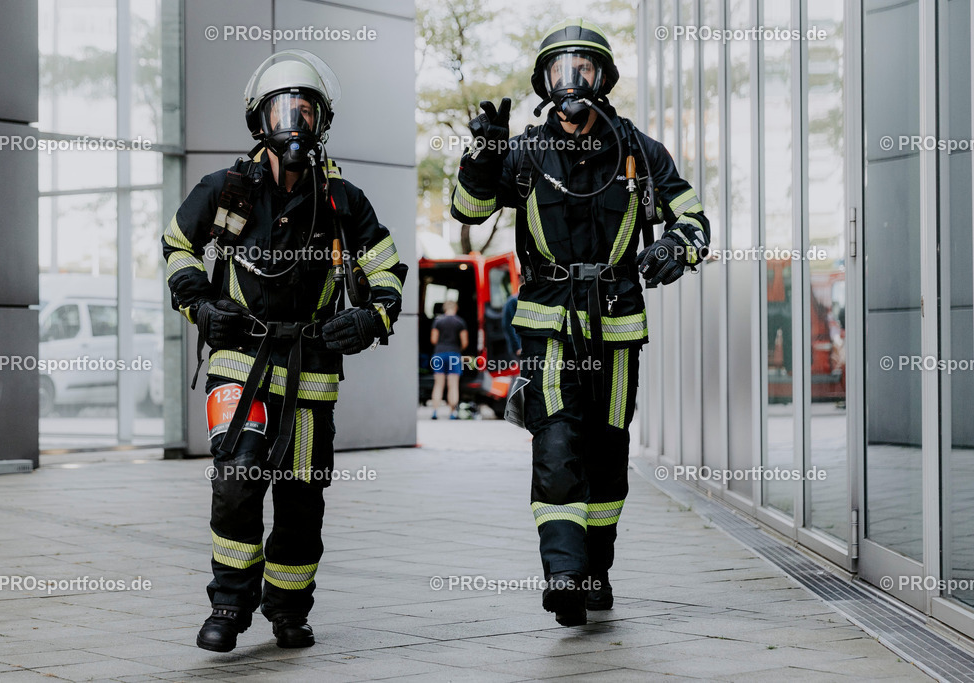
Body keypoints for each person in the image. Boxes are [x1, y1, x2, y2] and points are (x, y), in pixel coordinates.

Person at [451, 18, 709, 626]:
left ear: (604, 79)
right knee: (557, 443)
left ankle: (596, 571)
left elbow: (693, 217)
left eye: (584, 69)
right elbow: (469, 209)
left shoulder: (639, 151)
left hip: (617, 328)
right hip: (548, 325)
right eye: (560, 71)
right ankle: (563, 574)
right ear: (544, 82)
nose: (572, 82)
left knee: (607, 453)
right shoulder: (524, 153)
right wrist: (482, 156)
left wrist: (677, 247)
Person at [162, 50, 407, 652]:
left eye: (305, 109)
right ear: (259, 120)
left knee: (301, 498)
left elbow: (388, 270)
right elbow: (176, 247)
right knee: (238, 482)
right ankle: (228, 606)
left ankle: (289, 609)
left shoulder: (343, 201)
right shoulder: (225, 190)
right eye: (280, 109)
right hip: (237, 364)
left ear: (322, 122)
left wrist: (370, 319)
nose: (292, 121)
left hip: (311, 371)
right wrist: (201, 305)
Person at [429, 300, 468, 419]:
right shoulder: (460, 322)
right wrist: (457, 349)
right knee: (453, 385)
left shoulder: (438, 321)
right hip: (454, 354)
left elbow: (434, 340)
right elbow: (465, 342)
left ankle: (435, 411)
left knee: (438, 384)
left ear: (444, 309)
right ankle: (452, 412)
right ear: (455, 308)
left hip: (439, 354)